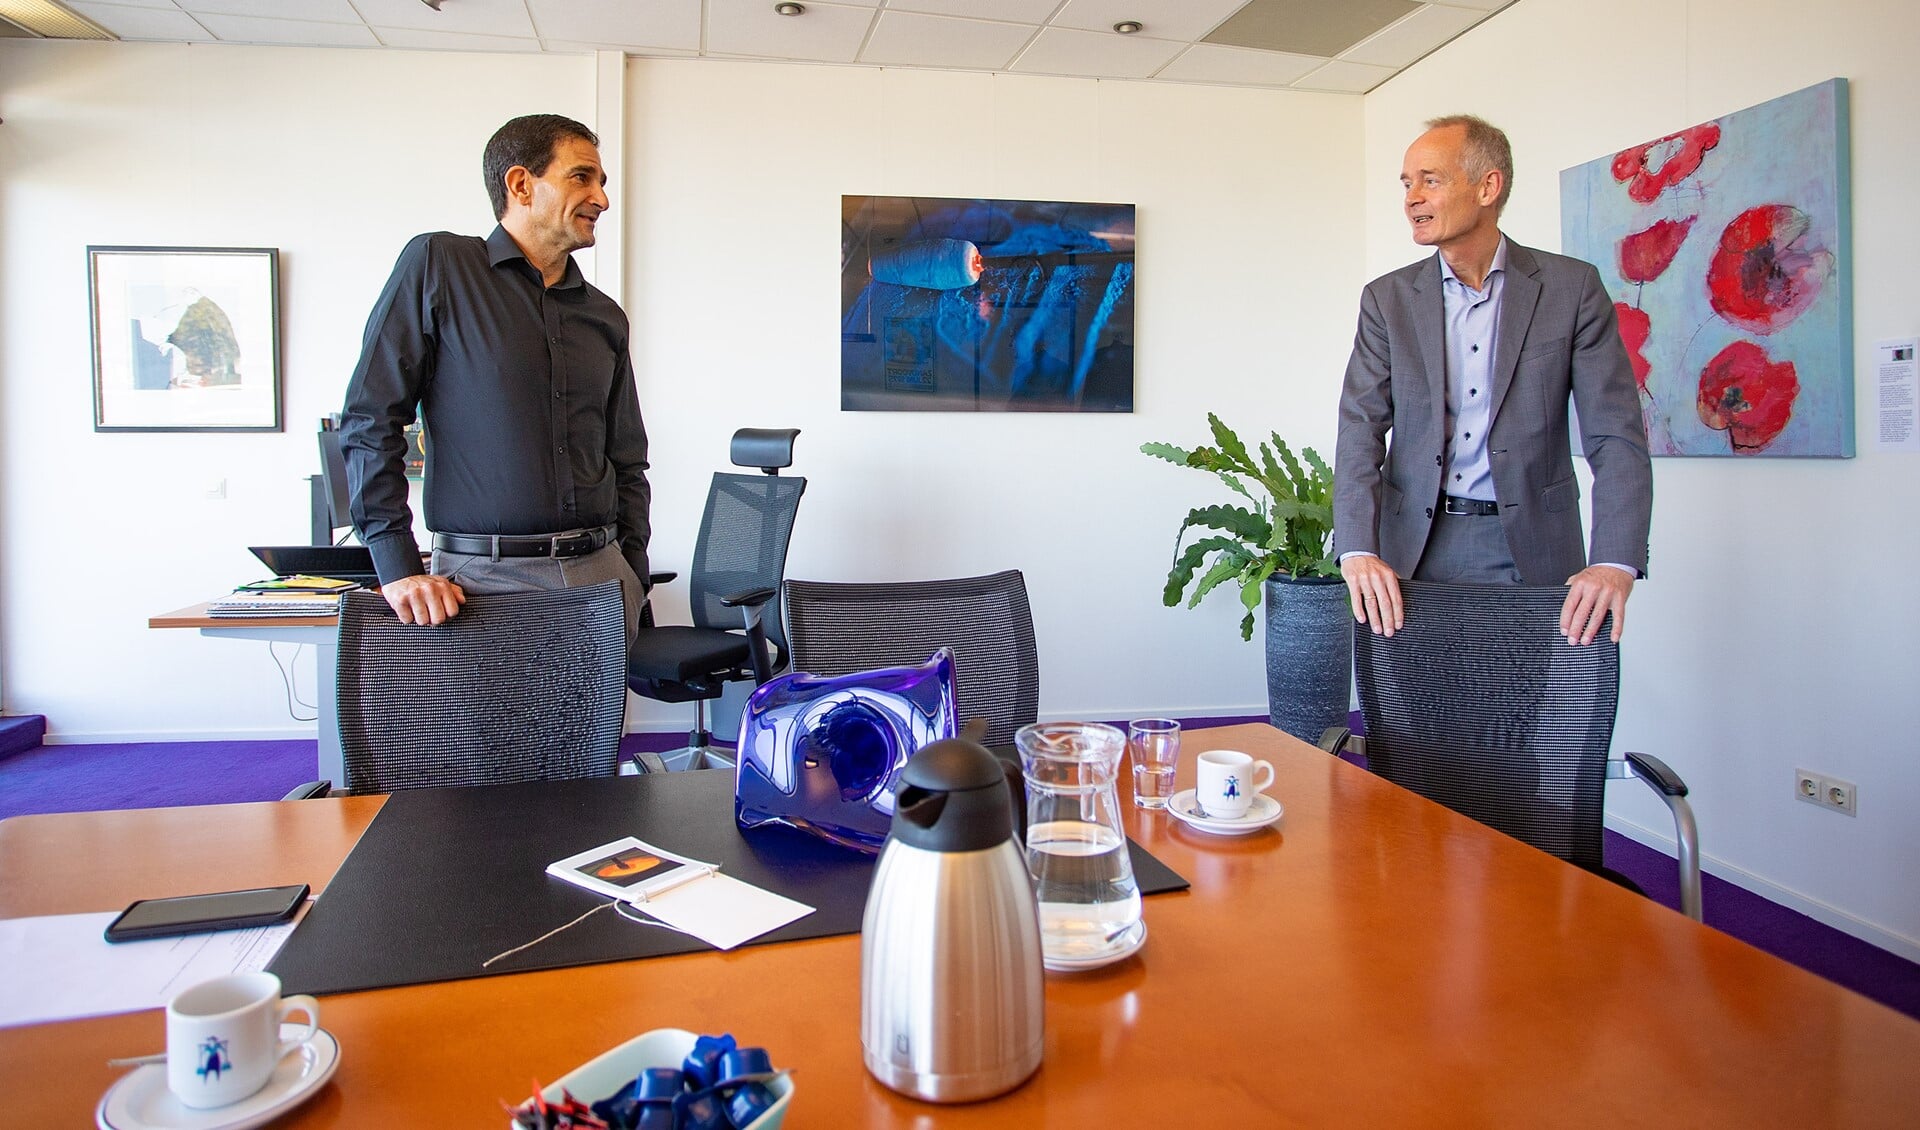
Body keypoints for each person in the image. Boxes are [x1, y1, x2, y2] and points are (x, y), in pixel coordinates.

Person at [1333, 114, 1652, 646]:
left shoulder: (1571, 289)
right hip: (1410, 551)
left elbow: (1614, 434)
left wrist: (1616, 560)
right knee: (1416, 721)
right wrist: (1357, 548)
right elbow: (1359, 427)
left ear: (1487, 186)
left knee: (1529, 720)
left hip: (1535, 549)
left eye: (1430, 179)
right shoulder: (1387, 301)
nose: (1412, 197)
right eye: (1407, 183)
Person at [339, 113, 650, 640]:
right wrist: (397, 565)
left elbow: (627, 457)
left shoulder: (604, 316)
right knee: (482, 728)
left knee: (594, 729)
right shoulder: (440, 265)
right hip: (480, 583)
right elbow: (370, 419)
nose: (601, 198)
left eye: (602, 182)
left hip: (601, 576)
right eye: (582, 177)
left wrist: (633, 572)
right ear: (521, 184)